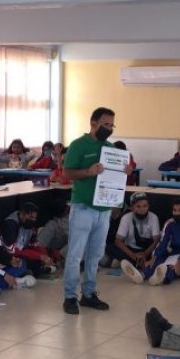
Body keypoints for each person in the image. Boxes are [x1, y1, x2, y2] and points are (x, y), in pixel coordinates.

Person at [62, 106, 132, 315]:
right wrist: (88, 171)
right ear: (93, 123)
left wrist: (124, 171)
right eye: (105, 124)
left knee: (96, 255)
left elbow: (114, 177)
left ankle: (89, 293)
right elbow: (67, 172)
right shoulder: (78, 145)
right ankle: (70, 296)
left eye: (112, 125)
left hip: (104, 208)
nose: (109, 129)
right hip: (83, 206)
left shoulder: (110, 148)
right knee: (75, 254)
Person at [120, 200, 180, 286]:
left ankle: (162, 279)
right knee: (156, 262)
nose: (176, 213)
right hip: (171, 252)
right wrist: (154, 257)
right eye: (174, 210)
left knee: (172, 268)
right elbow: (163, 242)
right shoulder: (169, 223)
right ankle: (141, 275)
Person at [2, 201, 59, 276]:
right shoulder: (11, 224)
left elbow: (34, 244)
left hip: (22, 252)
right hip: (9, 255)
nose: (33, 220)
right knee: (28, 263)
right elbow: (12, 250)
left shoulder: (29, 225)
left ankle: (42, 267)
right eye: (31, 217)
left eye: (35, 218)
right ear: (23, 213)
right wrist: (39, 256)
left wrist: (46, 257)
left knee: (44, 258)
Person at [107, 191, 161, 269]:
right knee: (108, 247)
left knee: (160, 252)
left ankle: (130, 263)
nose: (142, 209)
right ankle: (137, 263)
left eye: (145, 206)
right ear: (132, 208)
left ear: (149, 206)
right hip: (130, 250)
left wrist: (145, 254)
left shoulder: (153, 217)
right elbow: (118, 241)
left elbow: (156, 241)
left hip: (148, 251)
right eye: (138, 206)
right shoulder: (126, 218)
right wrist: (133, 255)